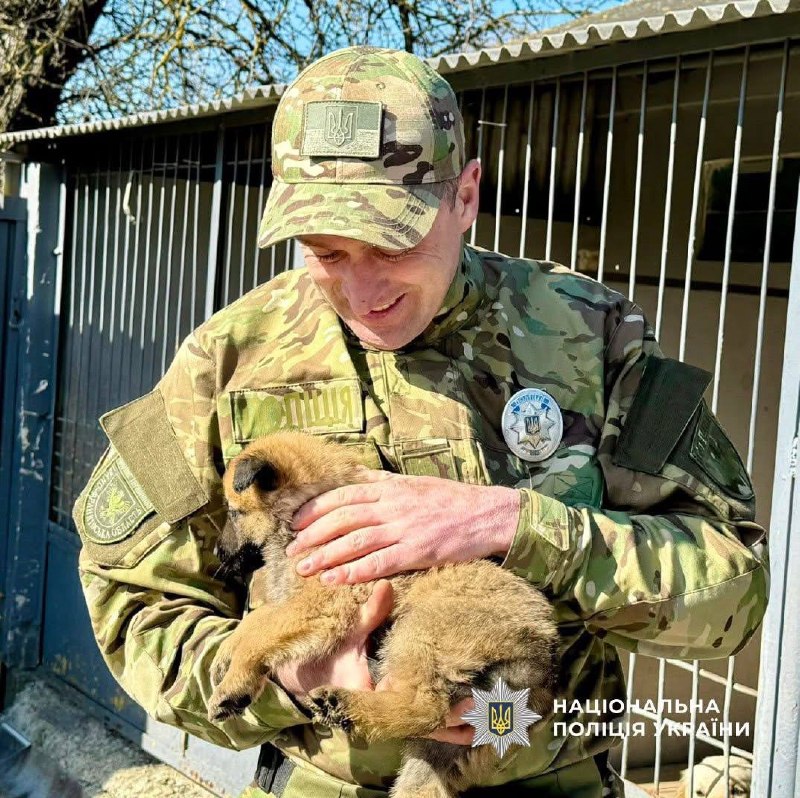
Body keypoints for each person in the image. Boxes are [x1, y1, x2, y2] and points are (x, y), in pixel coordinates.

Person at [73, 45, 768, 798]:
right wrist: (292, 678)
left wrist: (520, 526)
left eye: (393, 241)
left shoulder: (597, 335)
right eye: (326, 252)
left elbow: (735, 593)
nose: (362, 289)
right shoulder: (226, 359)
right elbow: (129, 597)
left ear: (465, 196)